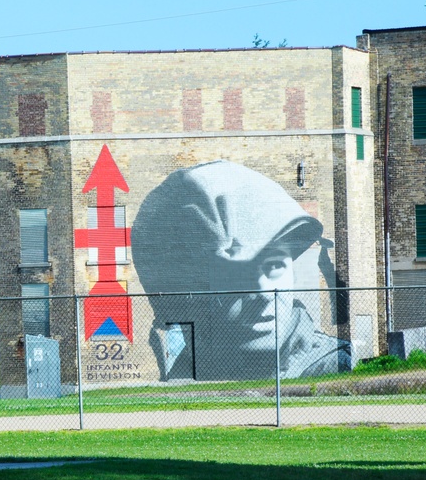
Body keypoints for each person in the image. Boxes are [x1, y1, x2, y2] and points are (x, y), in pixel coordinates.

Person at [130, 160, 351, 381]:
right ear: (190, 291)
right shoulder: (181, 380)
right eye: (239, 273)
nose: (265, 293)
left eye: (275, 265)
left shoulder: (333, 367)